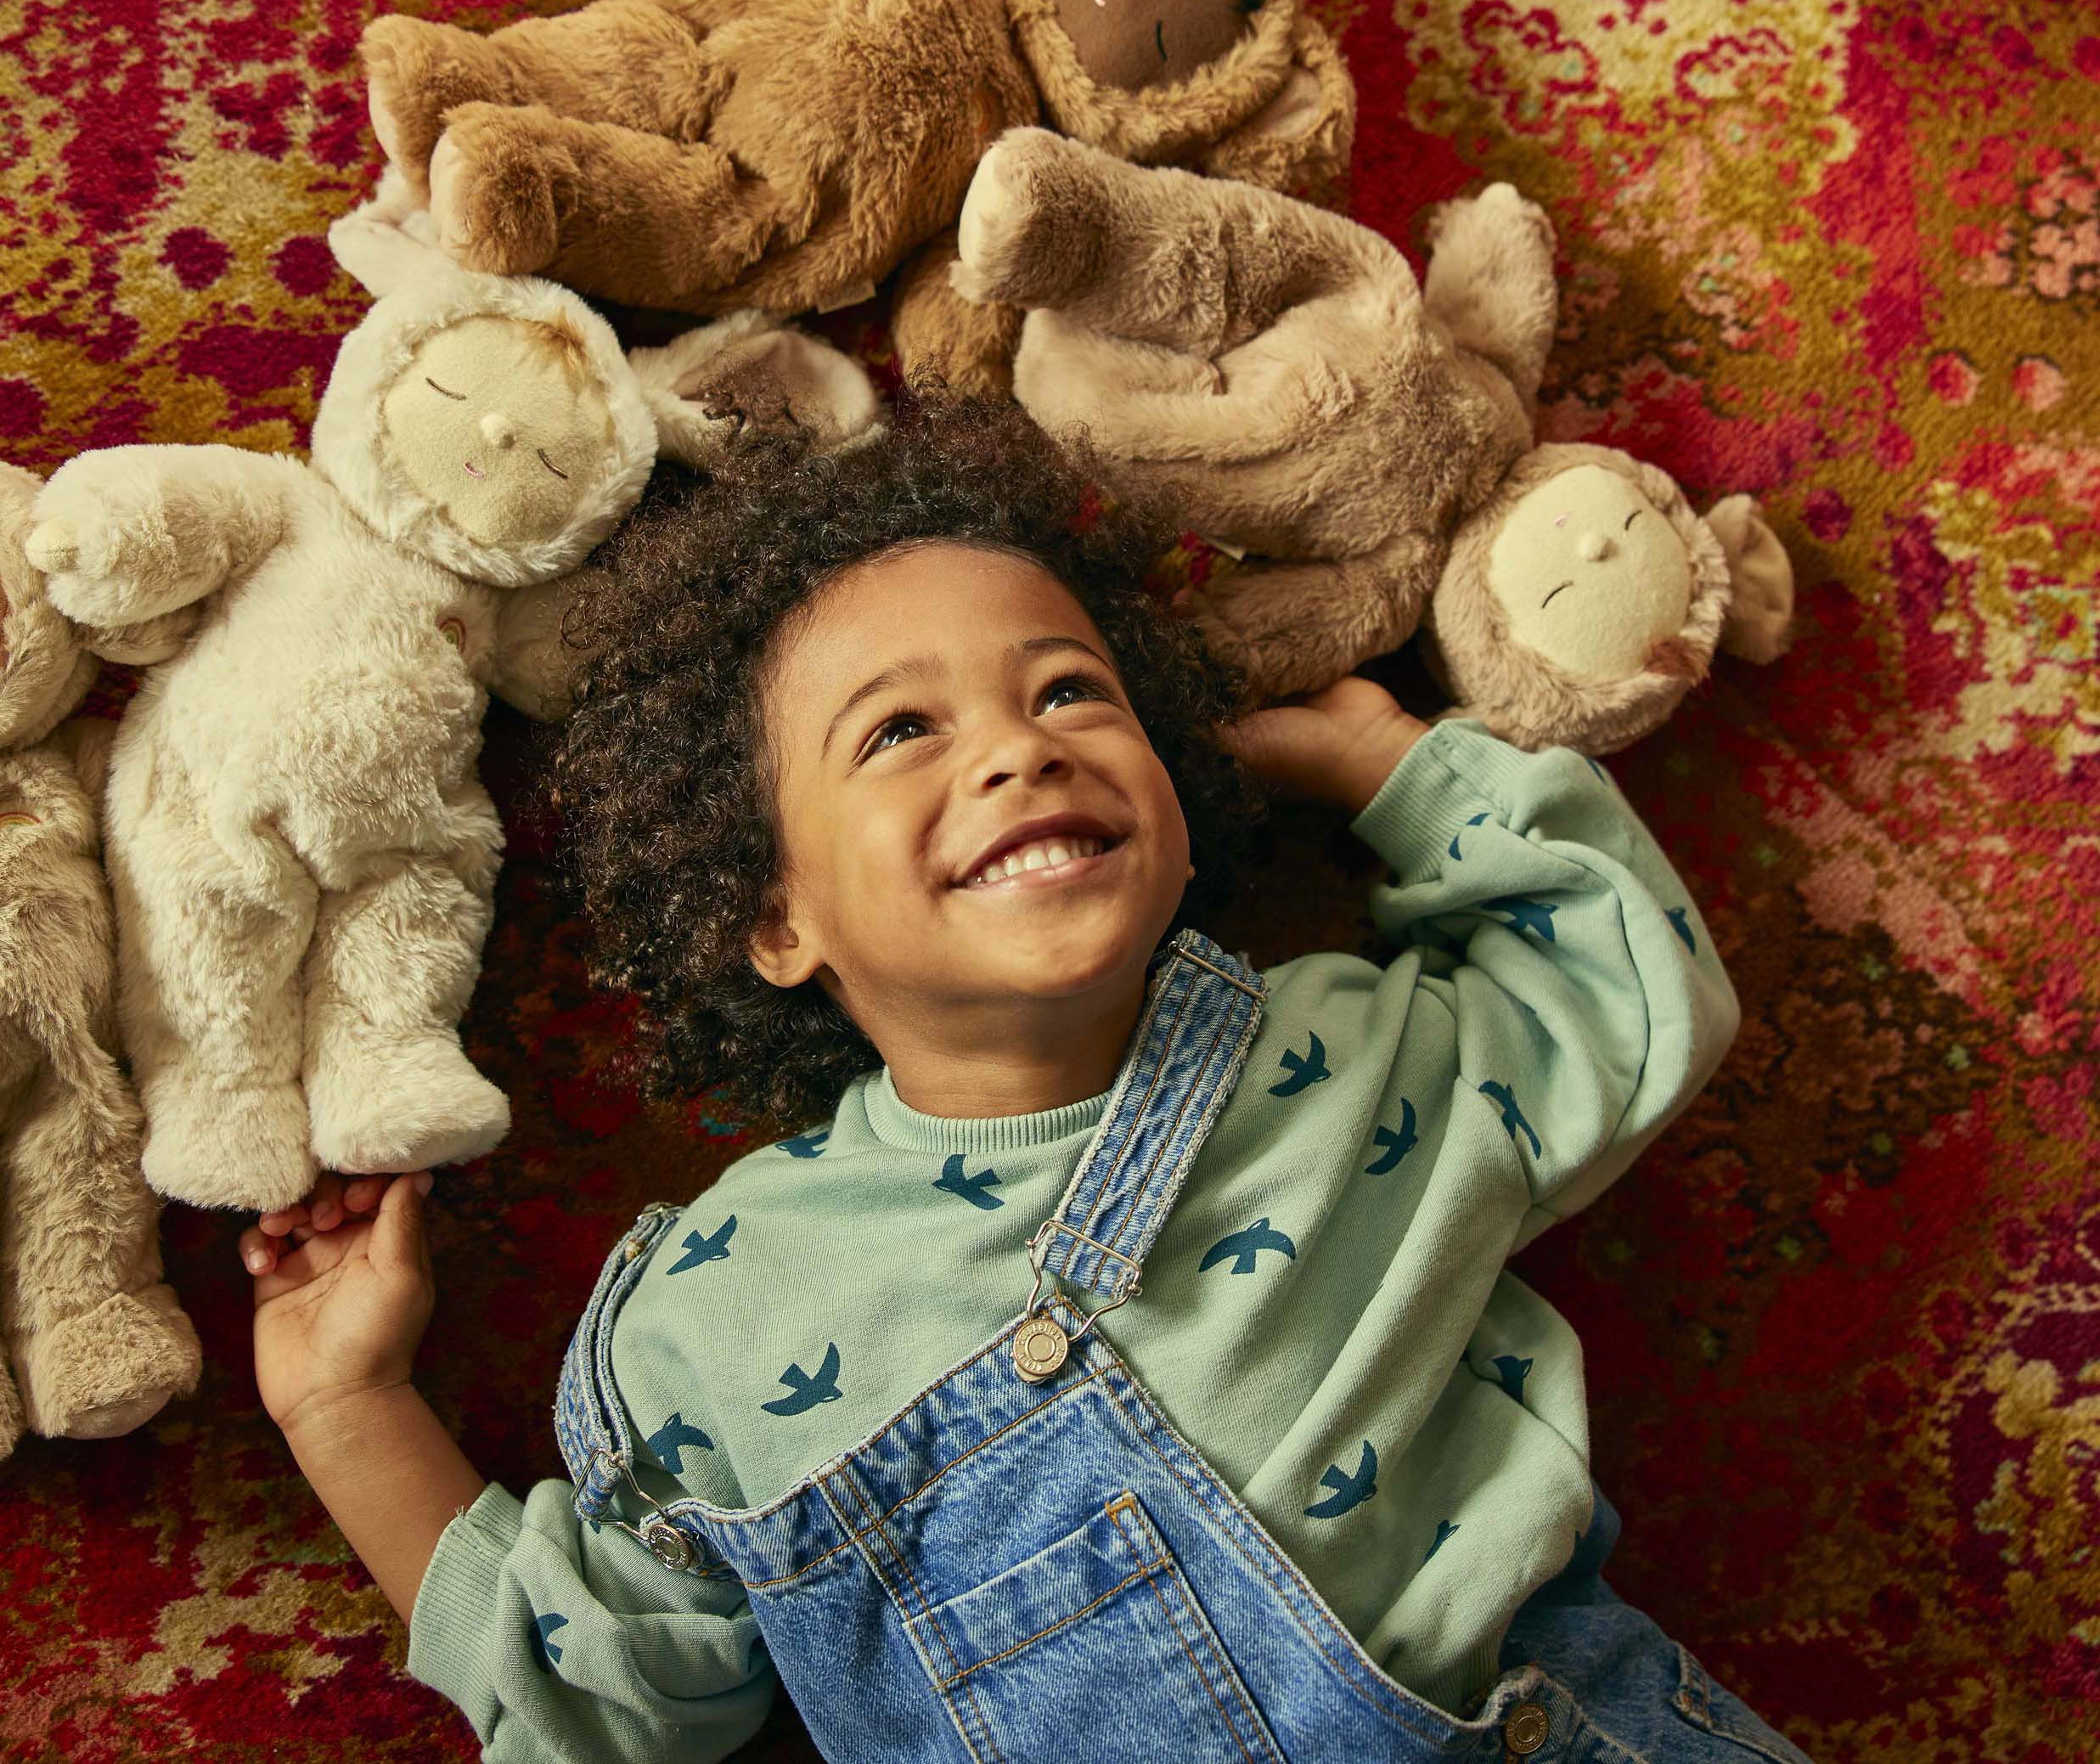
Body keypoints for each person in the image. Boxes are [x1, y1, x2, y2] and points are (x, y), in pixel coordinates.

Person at [239, 405, 1814, 1762]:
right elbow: (607, 1702)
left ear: (1183, 816)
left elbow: (1617, 990)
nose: (1017, 749)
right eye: (902, 729)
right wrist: (347, 1407)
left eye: (1069, 690)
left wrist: (1383, 757)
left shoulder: (1349, 1058)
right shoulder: (725, 1307)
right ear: (776, 916)